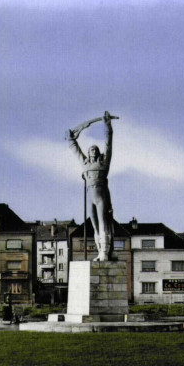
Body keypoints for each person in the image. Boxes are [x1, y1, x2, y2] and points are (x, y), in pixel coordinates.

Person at [68, 111, 115, 261]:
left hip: (100, 195)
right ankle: (99, 250)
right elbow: (75, 150)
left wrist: (107, 126)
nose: (93, 150)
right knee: (94, 224)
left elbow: (108, 144)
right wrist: (70, 138)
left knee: (103, 223)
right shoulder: (85, 163)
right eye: (91, 149)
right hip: (90, 194)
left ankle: (105, 252)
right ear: (88, 153)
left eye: (95, 149)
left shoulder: (103, 163)